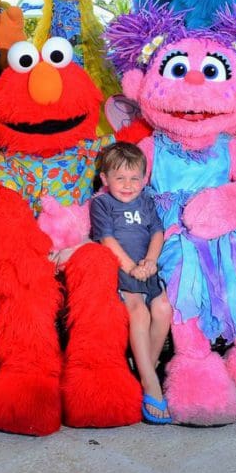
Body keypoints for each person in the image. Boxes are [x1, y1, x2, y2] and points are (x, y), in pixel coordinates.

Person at [89, 142, 173, 424]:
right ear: (105, 179)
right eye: (120, 178)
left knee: (163, 309)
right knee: (139, 312)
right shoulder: (102, 203)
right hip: (121, 267)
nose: (128, 185)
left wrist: (149, 262)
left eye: (134, 178)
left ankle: (143, 370)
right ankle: (151, 384)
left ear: (144, 179)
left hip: (146, 267)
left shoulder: (146, 201)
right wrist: (131, 267)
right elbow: (107, 240)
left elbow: (157, 233)